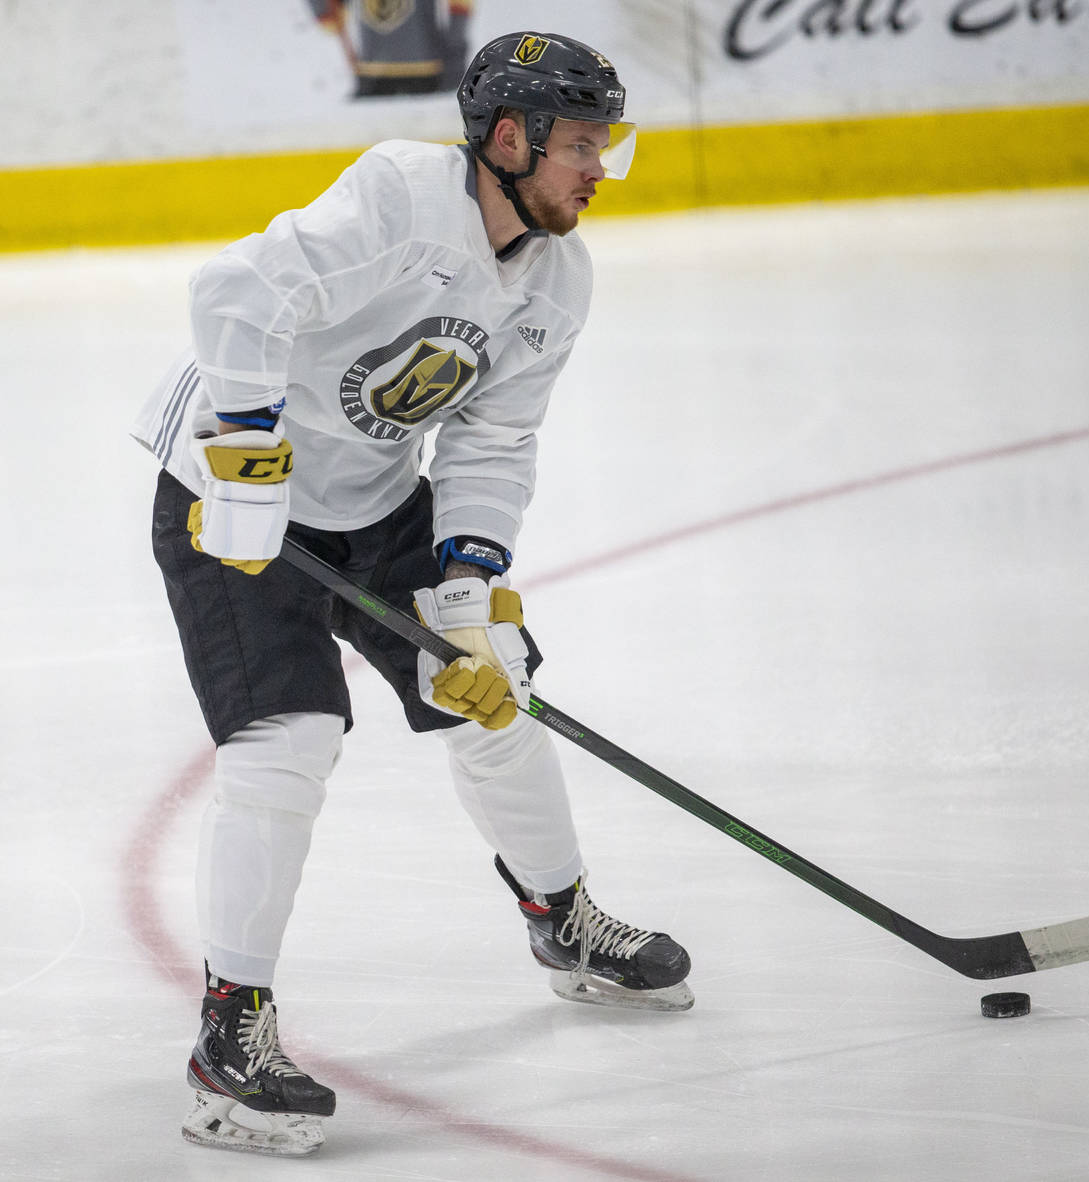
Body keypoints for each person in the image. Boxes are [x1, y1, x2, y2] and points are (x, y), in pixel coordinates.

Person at [132, 31, 692, 1158]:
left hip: (382, 509)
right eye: (582, 146)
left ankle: (561, 918)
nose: (598, 169)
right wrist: (244, 444)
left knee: (498, 695)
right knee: (286, 746)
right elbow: (236, 292)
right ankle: (230, 1033)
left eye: (607, 148)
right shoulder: (400, 195)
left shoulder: (558, 279)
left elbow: (495, 442)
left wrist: (469, 583)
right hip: (235, 503)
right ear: (507, 138)